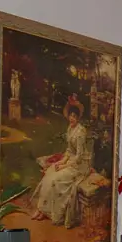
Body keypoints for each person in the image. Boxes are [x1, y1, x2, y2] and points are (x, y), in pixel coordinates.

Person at [30, 96, 93, 228]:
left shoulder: (81, 132)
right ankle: (42, 210)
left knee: (56, 180)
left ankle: (47, 212)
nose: (72, 119)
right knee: (50, 173)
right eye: (70, 116)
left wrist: (65, 165)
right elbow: (69, 150)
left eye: (74, 116)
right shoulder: (70, 128)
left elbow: (79, 156)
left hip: (80, 166)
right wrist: (60, 162)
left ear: (78, 118)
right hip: (71, 160)